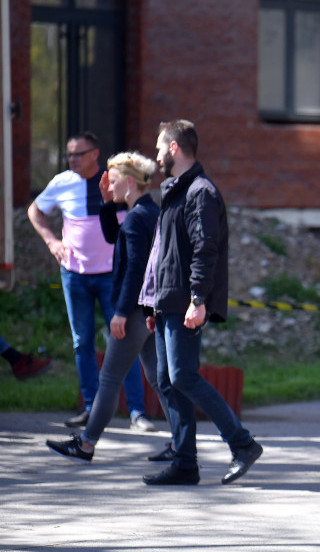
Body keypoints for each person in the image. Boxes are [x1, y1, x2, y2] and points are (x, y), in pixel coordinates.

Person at [141, 119, 262, 486]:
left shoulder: (200, 192)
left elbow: (204, 250)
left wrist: (197, 299)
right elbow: (166, 253)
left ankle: (242, 444)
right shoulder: (175, 191)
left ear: (175, 148)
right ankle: (185, 463)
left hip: (184, 301)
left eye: (160, 146)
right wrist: (154, 304)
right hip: (167, 302)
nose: (157, 153)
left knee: (182, 376)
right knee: (165, 380)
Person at [46, 151, 166, 463]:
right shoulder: (146, 211)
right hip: (148, 310)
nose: (108, 186)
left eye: (112, 182)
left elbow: (136, 269)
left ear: (129, 182)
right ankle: (182, 442)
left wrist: (122, 312)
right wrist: (107, 202)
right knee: (157, 377)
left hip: (135, 311)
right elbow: (114, 235)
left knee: (111, 378)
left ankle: (85, 444)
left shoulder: (139, 217)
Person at [27, 132, 152, 430]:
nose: (72, 159)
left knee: (125, 340)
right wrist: (51, 242)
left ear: (95, 154)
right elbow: (35, 210)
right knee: (82, 341)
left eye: (78, 154)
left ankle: (137, 412)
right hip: (74, 274)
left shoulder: (115, 183)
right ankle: (90, 408)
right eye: (69, 154)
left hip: (111, 276)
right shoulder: (61, 182)